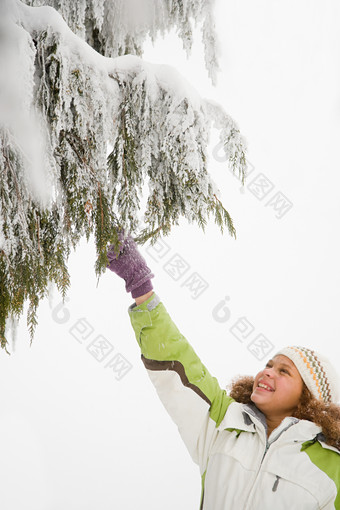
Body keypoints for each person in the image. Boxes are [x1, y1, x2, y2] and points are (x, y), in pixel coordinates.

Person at [107, 233, 340, 510]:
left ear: (310, 397)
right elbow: (180, 362)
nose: (267, 373)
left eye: (284, 371)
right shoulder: (223, 424)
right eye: (267, 365)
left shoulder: (333, 467)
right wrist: (140, 285)